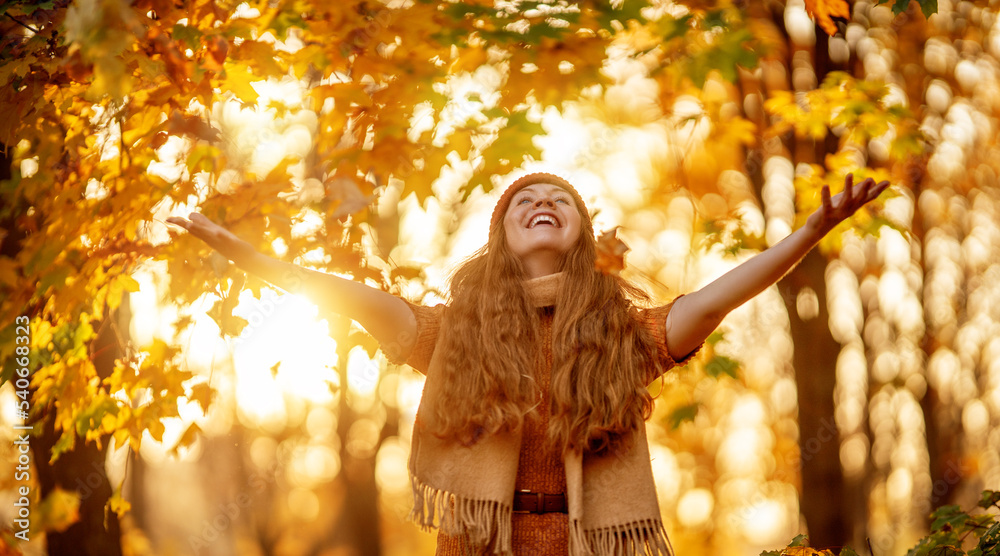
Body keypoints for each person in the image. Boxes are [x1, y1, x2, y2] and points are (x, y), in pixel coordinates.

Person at [167, 171, 889, 556]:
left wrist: (809, 232)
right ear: (502, 231)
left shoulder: (618, 333)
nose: (544, 202)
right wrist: (250, 257)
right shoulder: (454, 333)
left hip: (588, 547)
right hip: (480, 547)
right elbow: (348, 297)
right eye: (527, 199)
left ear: (575, 234)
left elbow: (716, 299)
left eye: (559, 200)